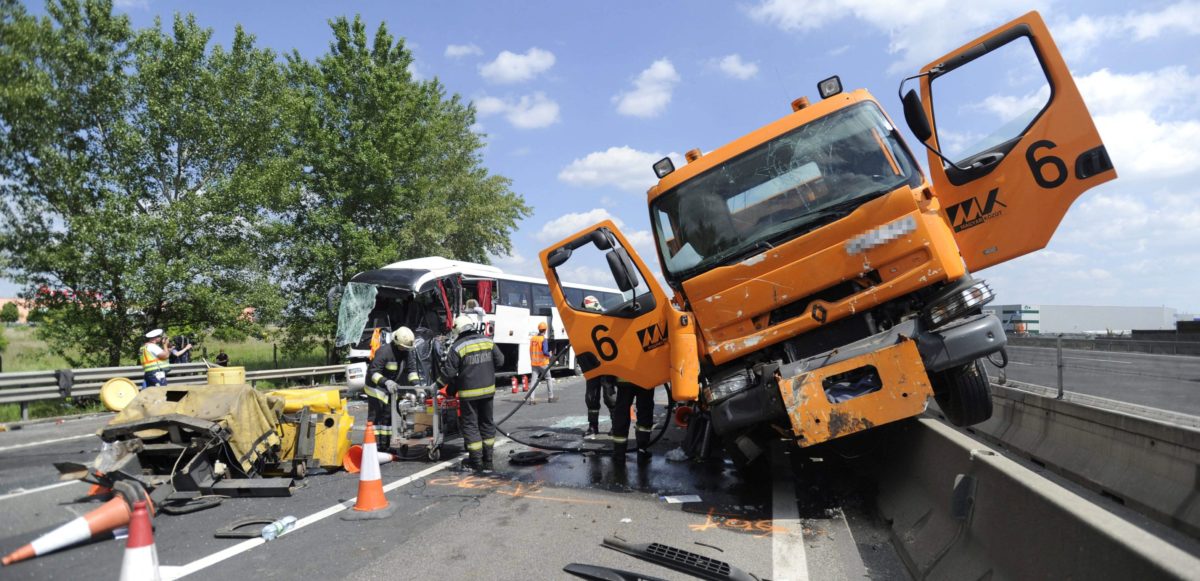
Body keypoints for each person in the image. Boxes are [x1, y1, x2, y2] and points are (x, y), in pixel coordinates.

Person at [440, 315, 504, 473]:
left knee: (470, 425)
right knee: (487, 424)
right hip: (488, 391)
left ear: (458, 330)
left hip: (468, 394)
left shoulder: (458, 346)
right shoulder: (487, 341)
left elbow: (448, 373)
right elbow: (500, 361)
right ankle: (488, 460)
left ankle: (476, 461)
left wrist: (436, 385)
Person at [366, 326, 415, 454]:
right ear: (396, 342)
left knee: (387, 416)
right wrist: (386, 382)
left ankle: (385, 446)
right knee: (376, 417)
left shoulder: (406, 352)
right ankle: (374, 446)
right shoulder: (384, 352)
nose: (405, 349)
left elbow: (412, 371)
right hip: (376, 387)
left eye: (406, 348)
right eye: (403, 347)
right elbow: (373, 372)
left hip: (389, 389)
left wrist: (417, 387)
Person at [582, 295, 616, 437]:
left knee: (609, 396)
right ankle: (593, 426)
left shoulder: (606, 317)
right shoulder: (583, 321)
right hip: (591, 364)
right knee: (591, 397)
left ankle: (616, 425)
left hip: (606, 364)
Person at [611, 378, 657, 464]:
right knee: (645, 412)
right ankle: (642, 451)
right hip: (646, 377)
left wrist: (610, 380)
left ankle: (619, 453)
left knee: (621, 412)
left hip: (624, 377)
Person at [529, 321, 555, 403]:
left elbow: (530, 350)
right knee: (548, 379)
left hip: (534, 363)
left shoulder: (533, 339)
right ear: (545, 330)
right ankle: (551, 397)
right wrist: (550, 354)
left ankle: (531, 399)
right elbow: (545, 351)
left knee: (533, 381)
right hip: (543, 363)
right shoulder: (543, 339)